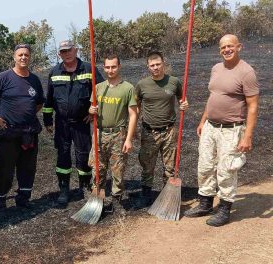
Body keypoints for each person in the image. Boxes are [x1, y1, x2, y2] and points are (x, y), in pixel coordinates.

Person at [184, 34, 259, 227]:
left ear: (239, 47)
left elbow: (252, 106)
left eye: (230, 46)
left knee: (226, 170)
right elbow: (213, 96)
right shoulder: (216, 68)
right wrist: (203, 121)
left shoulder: (246, 72)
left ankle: (225, 208)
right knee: (205, 166)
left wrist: (247, 135)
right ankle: (205, 203)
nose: (226, 50)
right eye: (223, 47)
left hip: (231, 130)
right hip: (211, 127)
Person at [43, 40, 104, 207]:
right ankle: (64, 188)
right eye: (63, 51)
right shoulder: (54, 72)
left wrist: (93, 112)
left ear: (75, 50)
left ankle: (84, 185)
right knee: (63, 155)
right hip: (62, 124)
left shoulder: (89, 69)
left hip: (81, 123)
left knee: (83, 155)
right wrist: (48, 120)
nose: (67, 53)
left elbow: (101, 91)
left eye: (69, 50)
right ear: (59, 54)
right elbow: (49, 99)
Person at [0, 44, 44, 218]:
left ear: (30, 57)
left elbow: (39, 102)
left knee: (28, 168)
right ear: (14, 57)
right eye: (20, 55)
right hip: (8, 133)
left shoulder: (34, 80)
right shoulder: (3, 78)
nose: (23, 58)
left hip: (29, 132)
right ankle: (0, 203)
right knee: (5, 169)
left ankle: (24, 199)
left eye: (26, 55)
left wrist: (26, 116)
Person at [135, 51, 189, 208]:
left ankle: (168, 196)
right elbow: (136, 107)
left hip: (169, 131)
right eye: (152, 65)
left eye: (158, 64)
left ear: (163, 63)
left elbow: (182, 99)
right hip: (149, 132)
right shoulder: (142, 85)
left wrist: (184, 104)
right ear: (148, 67)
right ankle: (146, 195)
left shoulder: (174, 82)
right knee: (147, 165)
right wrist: (133, 128)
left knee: (170, 166)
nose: (155, 68)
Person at [88, 55, 138, 212]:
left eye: (114, 67)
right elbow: (91, 114)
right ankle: (98, 200)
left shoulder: (128, 88)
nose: (110, 70)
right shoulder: (98, 88)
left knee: (118, 170)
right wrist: (90, 111)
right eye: (108, 67)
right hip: (99, 134)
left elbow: (133, 115)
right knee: (97, 169)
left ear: (119, 67)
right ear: (104, 68)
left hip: (118, 135)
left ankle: (117, 200)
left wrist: (129, 139)